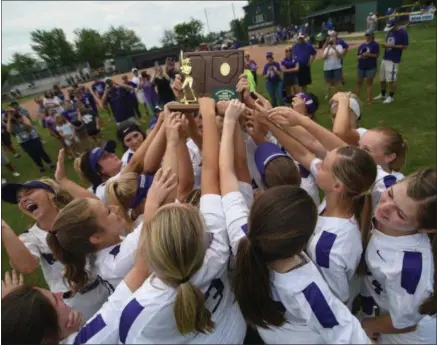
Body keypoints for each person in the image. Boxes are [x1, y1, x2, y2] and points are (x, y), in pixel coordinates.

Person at [218, 103, 372, 342]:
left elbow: (336, 302)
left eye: (324, 164)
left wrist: (229, 123)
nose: (317, 162)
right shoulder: (308, 283)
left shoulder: (247, 238)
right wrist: (270, 122)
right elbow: (304, 152)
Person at [118, 97, 246, 344]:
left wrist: (174, 140)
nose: (186, 203)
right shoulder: (217, 250)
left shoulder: (140, 308)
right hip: (236, 332)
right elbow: (210, 170)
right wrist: (207, 114)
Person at [1, 179, 111, 321]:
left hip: (108, 281)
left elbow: (103, 212)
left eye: (29, 192)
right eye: (18, 199)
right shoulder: (30, 237)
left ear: (50, 193)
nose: (23, 200)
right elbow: (26, 266)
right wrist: (2, 226)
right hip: (76, 306)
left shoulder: (76, 215)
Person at [2, 247, 149, 344]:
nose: (60, 294)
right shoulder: (88, 339)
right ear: (47, 336)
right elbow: (139, 272)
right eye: (56, 301)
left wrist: (12, 310)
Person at [361, 168, 436, 344]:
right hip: (388, 311)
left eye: (400, 214)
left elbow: (406, 322)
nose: (385, 207)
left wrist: (368, 325)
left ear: (426, 229)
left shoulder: (408, 270)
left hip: (407, 336)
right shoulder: (387, 186)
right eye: (392, 194)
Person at [4, 107, 55, 173]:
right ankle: (41, 166)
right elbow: (9, 130)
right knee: (32, 154)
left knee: (41, 151)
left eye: (12, 112)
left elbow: (29, 127)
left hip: (33, 137)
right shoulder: (9, 122)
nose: (11, 114)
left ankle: (50, 164)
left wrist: (21, 122)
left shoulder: (23, 117)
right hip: (23, 141)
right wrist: (9, 118)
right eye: (9, 113)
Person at [374, 18, 409, 104]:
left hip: (393, 59)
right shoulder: (390, 32)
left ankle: (391, 96)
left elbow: (405, 47)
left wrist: (391, 46)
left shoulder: (403, 33)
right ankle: (383, 94)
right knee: (382, 78)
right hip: (385, 57)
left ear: (395, 25)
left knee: (391, 79)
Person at [356, 30, 380, 103]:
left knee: (369, 83)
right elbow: (358, 55)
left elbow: (376, 55)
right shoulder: (362, 45)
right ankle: (356, 99)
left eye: (368, 35)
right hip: (361, 66)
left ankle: (369, 99)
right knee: (358, 82)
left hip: (370, 67)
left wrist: (368, 55)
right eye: (366, 35)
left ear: (372, 36)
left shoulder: (375, 45)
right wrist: (359, 57)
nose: (367, 37)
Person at [323, 34, 344, 99]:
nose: (331, 39)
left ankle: (339, 94)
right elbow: (324, 57)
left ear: (336, 39)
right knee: (328, 81)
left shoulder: (339, 46)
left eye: (333, 38)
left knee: (337, 81)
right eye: (330, 38)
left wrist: (334, 48)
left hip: (336, 67)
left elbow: (339, 56)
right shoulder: (326, 48)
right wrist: (329, 48)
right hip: (327, 67)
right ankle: (328, 95)